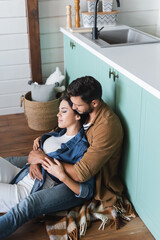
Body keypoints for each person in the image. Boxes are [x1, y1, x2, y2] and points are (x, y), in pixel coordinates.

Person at [0, 76, 124, 239]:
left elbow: (82, 174)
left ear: (94, 103)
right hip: (58, 160)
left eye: (76, 106)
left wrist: (42, 158)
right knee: (9, 161)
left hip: (74, 179)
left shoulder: (106, 128)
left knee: (28, 204)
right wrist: (43, 144)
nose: (74, 107)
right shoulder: (84, 110)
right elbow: (66, 126)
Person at [0, 95, 94, 213]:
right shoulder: (57, 134)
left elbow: (87, 191)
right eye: (59, 110)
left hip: (28, 189)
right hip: (22, 173)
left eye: (63, 111)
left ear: (77, 115)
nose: (58, 114)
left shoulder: (80, 148)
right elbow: (35, 155)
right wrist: (34, 160)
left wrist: (43, 159)